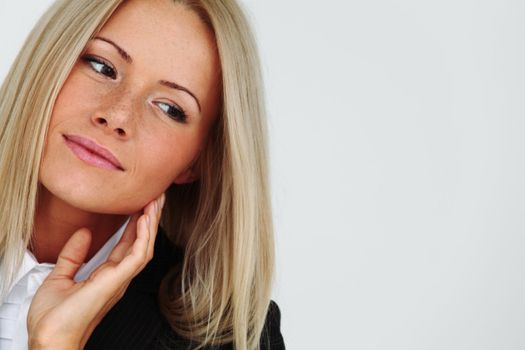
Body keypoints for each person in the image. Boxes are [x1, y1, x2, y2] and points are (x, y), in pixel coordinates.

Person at [0, 0, 284, 349]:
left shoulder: (233, 338)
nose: (117, 115)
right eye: (103, 67)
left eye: (169, 108)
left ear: (197, 162)